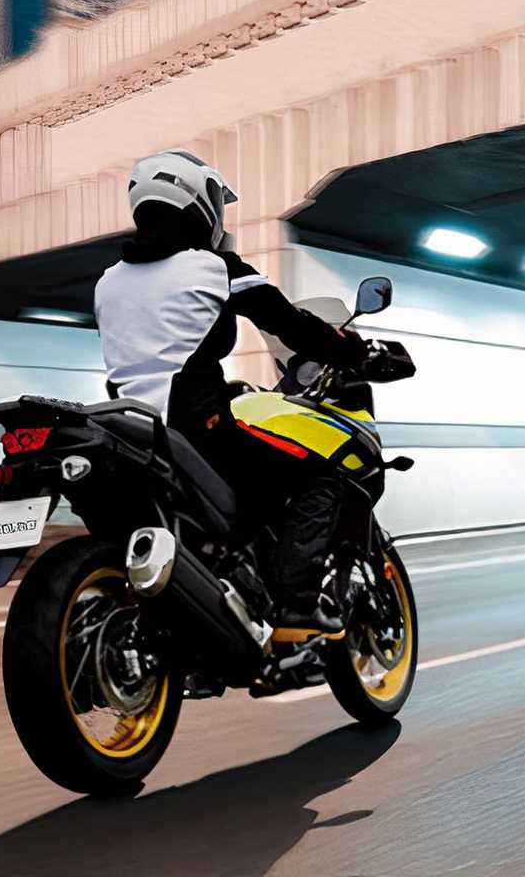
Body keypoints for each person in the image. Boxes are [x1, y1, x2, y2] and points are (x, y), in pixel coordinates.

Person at [93, 149, 367, 632]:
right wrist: (350, 348)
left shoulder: (107, 281)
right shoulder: (215, 267)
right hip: (198, 430)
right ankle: (295, 604)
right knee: (322, 479)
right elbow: (290, 323)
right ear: (199, 204)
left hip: (127, 428)